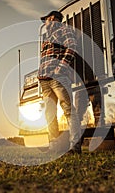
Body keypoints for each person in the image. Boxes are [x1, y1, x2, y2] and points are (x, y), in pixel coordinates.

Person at [38, 11, 82, 154]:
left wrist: (60, 68)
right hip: (44, 80)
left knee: (68, 111)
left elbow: (72, 46)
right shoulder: (46, 38)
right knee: (49, 114)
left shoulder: (64, 30)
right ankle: (54, 148)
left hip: (58, 78)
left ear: (51, 18)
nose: (45, 23)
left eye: (46, 20)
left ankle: (75, 147)